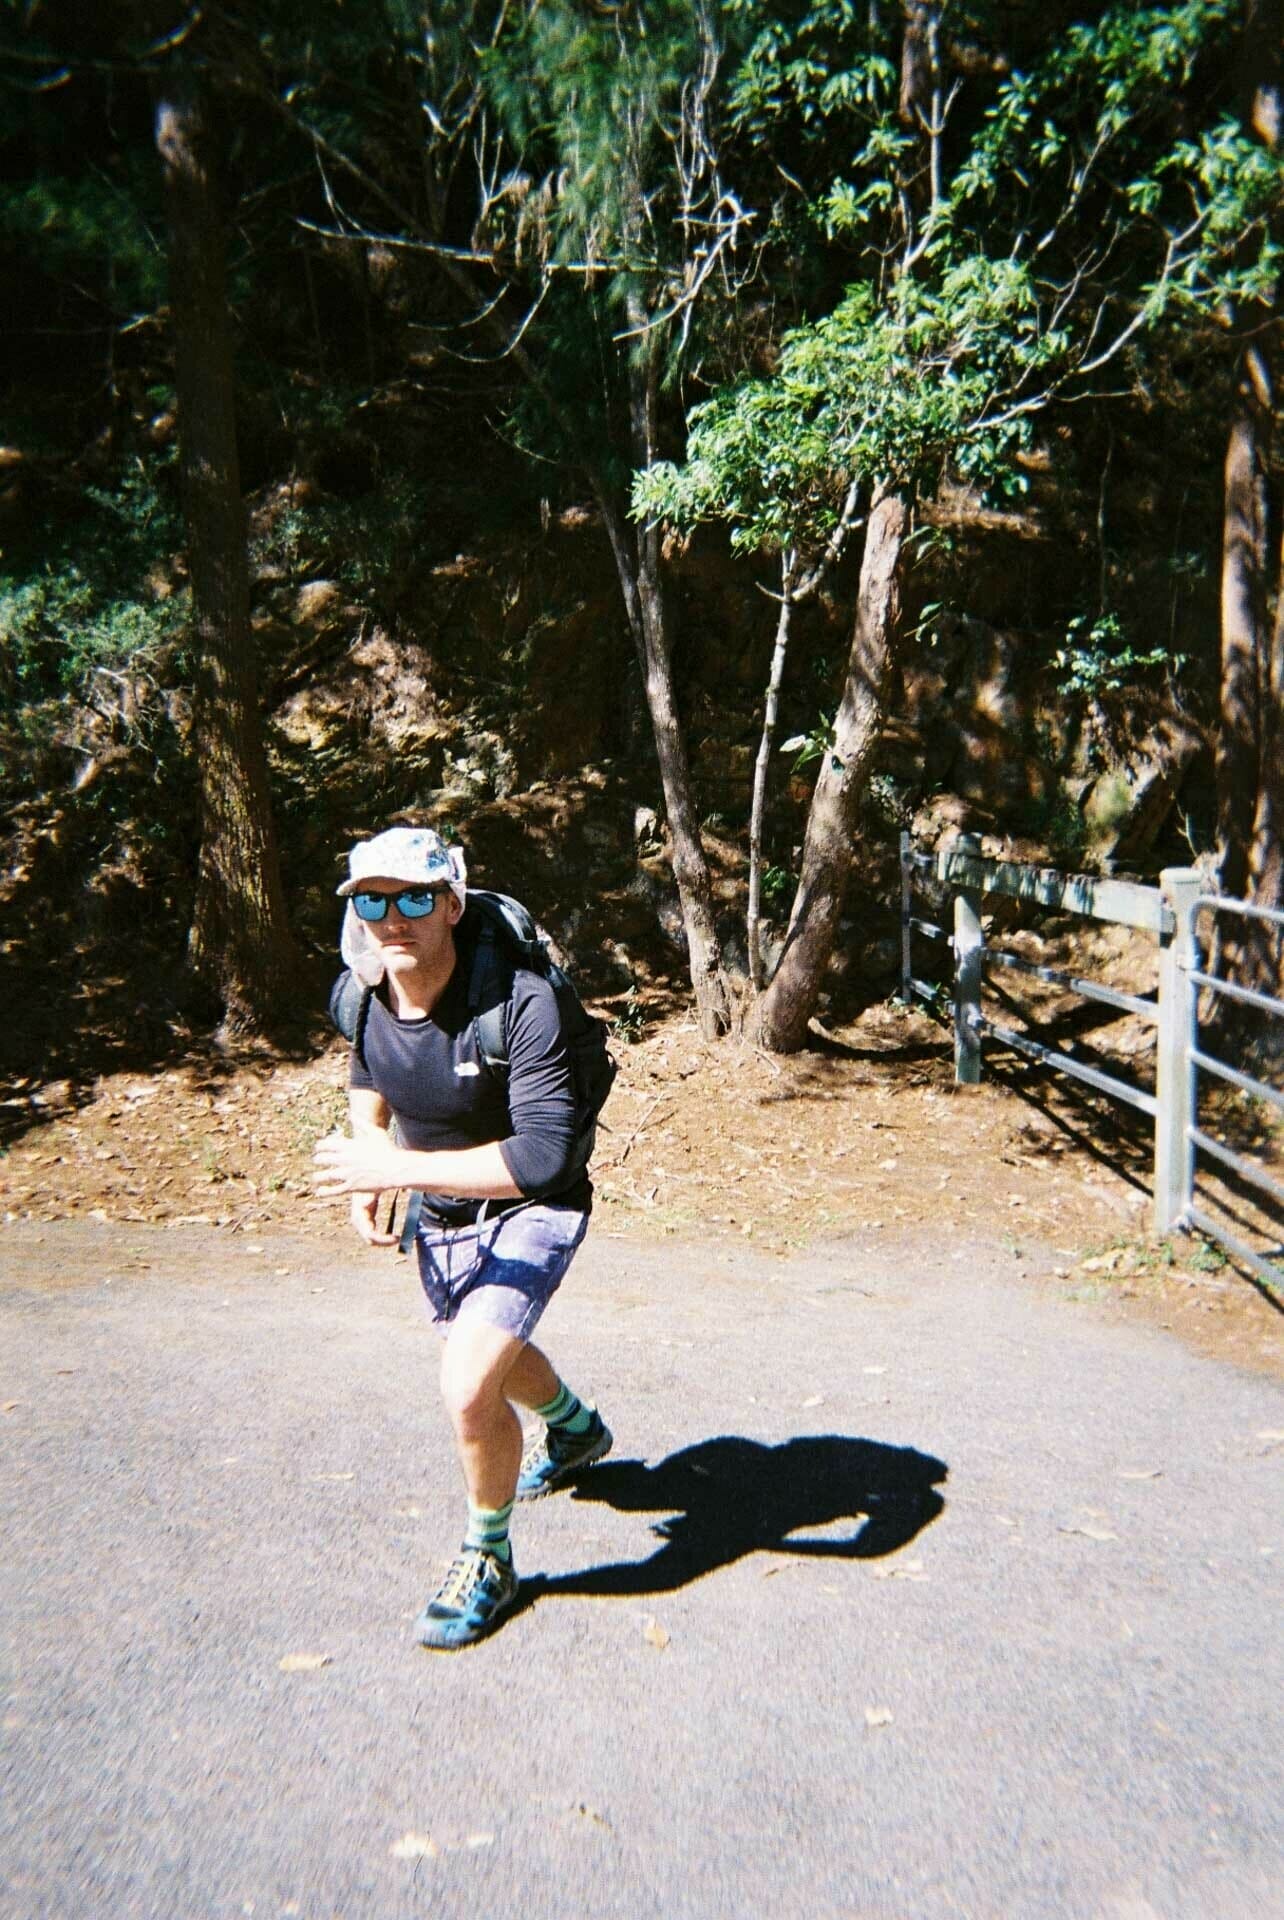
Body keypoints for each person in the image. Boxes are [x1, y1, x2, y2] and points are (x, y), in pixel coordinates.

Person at [312, 824, 611, 1650]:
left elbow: (541, 1156)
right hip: (441, 1215)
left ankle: (489, 1558)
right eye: (373, 901)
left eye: (415, 899)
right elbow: (369, 1072)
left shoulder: (520, 1002)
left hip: (535, 1205)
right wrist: (372, 1163)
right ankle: (574, 1427)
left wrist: (397, 1169)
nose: (393, 919)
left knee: (468, 1384)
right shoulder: (360, 993)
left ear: (451, 904)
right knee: (490, 1353)